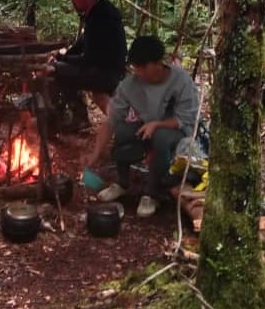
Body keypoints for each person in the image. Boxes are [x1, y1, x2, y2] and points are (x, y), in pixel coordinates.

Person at [84, 34, 200, 217]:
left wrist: (158, 124)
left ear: (157, 63)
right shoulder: (130, 86)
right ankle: (122, 183)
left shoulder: (181, 81)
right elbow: (111, 120)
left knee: (160, 137)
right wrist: (96, 154)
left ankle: (153, 193)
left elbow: (186, 119)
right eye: (135, 67)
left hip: (177, 134)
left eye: (142, 67)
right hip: (147, 128)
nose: (137, 72)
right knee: (122, 131)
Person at [48, 0, 127, 130]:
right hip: (112, 71)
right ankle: (121, 128)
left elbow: (88, 58)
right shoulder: (99, 14)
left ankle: (73, 118)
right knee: (63, 67)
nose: (73, 1)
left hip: (104, 74)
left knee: (57, 71)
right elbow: (81, 44)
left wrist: (58, 62)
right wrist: (61, 55)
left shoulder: (99, 20)